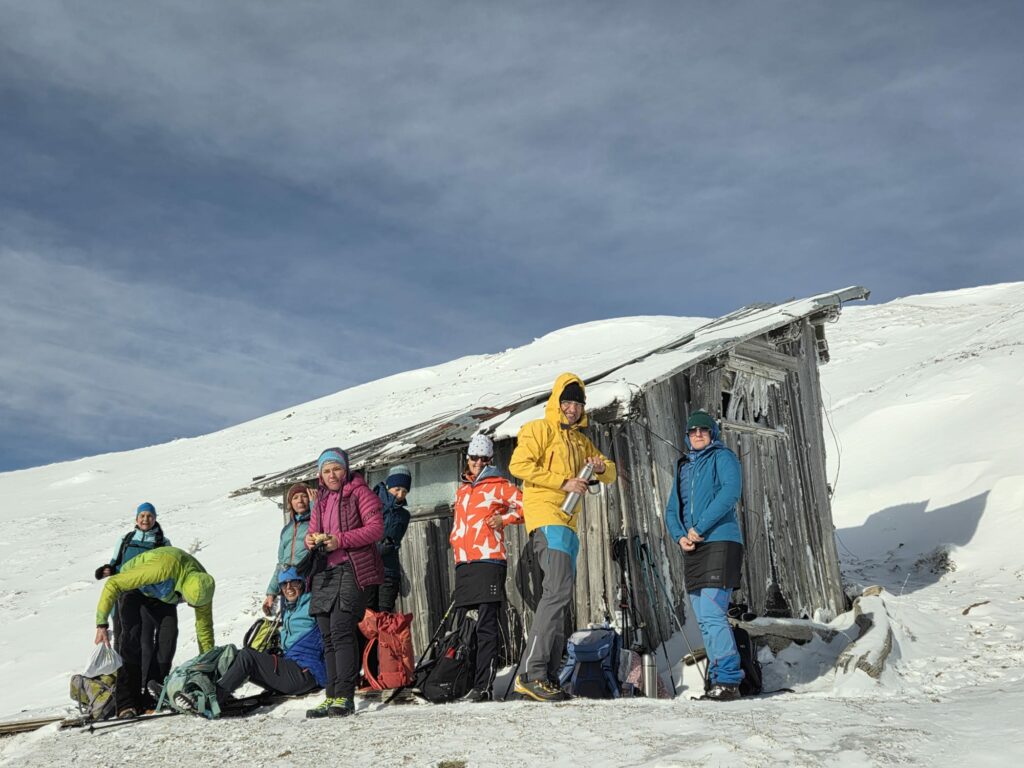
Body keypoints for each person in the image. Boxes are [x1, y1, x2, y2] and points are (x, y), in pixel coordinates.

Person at [508, 373, 616, 702]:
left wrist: (598, 467)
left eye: (577, 403)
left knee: (559, 597)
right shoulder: (538, 429)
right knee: (555, 593)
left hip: (570, 524)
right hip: (547, 517)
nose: (572, 409)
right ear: (557, 402)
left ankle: (548, 676)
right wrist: (564, 482)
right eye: (567, 402)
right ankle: (532, 673)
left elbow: (609, 472)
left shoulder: (581, 441)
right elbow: (518, 464)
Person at [663, 409, 744, 701]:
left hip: (720, 541)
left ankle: (729, 680)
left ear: (713, 434)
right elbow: (672, 508)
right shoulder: (683, 466)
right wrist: (680, 535)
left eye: (704, 430)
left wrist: (700, 526)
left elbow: (730, 492)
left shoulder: (723, 458)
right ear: (687, 436)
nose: (698, 434)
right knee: (703, 616)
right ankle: (717, 680)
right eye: (693, 430)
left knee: (712, 613)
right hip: (694, 546)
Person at [303, 447, 384, 718]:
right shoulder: (322, 500)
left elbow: (376, 529)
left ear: (346, 469)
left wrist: (341, 539)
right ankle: (331, 696)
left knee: (341, 630)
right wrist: (311, 540)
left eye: (336, 468)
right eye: (326, 471)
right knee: (326, 635)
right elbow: (311, 531)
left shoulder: (360, 492)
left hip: (352, 569)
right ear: (320, 475)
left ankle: (345, 697)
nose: (332, 475)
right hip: (324, 571)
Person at [94, 546, 216, 718]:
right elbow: (113, 583)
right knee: (132, 639)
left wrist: (208, 667)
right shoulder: (164, 567)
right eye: (187, 601)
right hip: (134, 588)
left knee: (168, 638)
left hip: (163, 596)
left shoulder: (204, 586)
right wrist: (101, 624)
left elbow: (204, 630)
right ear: (183, 589)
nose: (189, 606)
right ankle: (126, 704)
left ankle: (151, 698)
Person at [450, 433, 523, 702]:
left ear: (490, 460)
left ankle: (484, 686)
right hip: (464, 563)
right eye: (474, 458)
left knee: (486, 626)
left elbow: (526, 506)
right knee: (466, 627)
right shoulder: (461, 491)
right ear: (467, 460)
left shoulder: (500, 486)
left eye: (484, 458)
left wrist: (504, 519)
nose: (478, 463)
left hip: (489, 560)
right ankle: (465, 682)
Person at [94, 502, 178, 711]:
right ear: (136, 519)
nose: (145, 519)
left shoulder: (162, 542)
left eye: (149, 516)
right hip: (128, 594)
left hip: (153, 596)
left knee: (155, 643)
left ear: (155, 518)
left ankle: (151, 692)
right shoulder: (126, 540)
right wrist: (106, 570)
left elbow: (168, 569)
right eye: (142, 515)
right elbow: (115, 564)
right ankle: (127, 701)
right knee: (130, 644)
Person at [214, 568, 325, 703]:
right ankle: (213, 691)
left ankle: (214, 699)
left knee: (247, 656)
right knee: (235, 655)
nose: (288, 587)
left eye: (293, 582)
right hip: (291, 667)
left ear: (302, 583)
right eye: (284, 584)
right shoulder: (290, 609)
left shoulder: (313, 605)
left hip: (306, 672)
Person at [366, 465, 412, 613]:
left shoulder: (404, 515)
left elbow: (396, 541)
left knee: (385, 618)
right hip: (367, 570)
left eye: (404, 491)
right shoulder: (370, 505)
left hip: (389, 571)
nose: (400, 494)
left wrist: (391, 545)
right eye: (397, 489)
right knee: (366, 619)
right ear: (388, 486)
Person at [263, 483, 313, 616]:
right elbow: (280, 563)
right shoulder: (286, 530)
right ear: (290, 503)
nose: (300, 500)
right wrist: (271, 592)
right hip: (287, 584)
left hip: (307, 582)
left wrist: (315, 507)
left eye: (304, 496)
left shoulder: (315, 523)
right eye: (295, 497)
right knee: (288, 620)